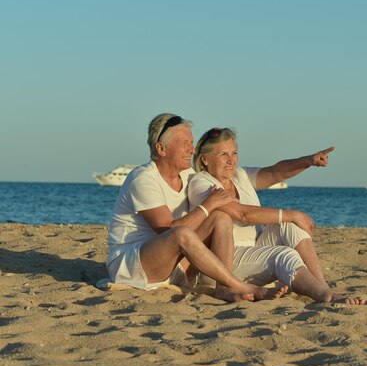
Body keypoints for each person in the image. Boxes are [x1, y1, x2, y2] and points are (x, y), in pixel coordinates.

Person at [106, 114, 286, 303]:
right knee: (180, 233)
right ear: (161, 148)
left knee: (220, 217)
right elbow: (167, 230)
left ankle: (224, 288)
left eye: (192, 143)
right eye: (185, 143)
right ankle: (239, 286)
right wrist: (208, 204)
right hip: (133, 267)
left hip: (173, 264)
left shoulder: (188, 175)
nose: (192, 150)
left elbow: (217, 208)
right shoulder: (143, 179)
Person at [188, 127, 366, 305]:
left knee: (289, 226)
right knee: (283, 253)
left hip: (255, 248)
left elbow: (275, 172)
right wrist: (292, 214)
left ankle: (323, 287)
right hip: (224, 262)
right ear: (205, 159)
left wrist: (308, 161)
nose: (231, 160)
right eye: (223, 155)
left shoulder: (239, 175)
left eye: (234, 153)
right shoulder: (201, 183)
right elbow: (242, 214)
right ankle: (325, 296)